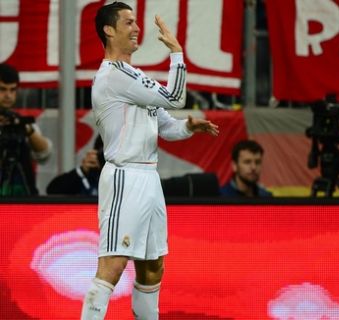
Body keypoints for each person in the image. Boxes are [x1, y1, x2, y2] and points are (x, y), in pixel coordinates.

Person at [81, 2, 219, 319]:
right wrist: (176, 52)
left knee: (152, 266)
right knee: (113, 265)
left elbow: (165, 125)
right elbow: (175, 97)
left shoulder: (133, 76)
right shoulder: (113, 76)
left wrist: (187, 126)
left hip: (149, 178)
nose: (137, 27)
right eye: (128, 22)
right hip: (124, 177)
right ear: (109, 30)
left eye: (136, 21)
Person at [0, 63, 52, 195]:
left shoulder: (19, 122)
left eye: (12, 90)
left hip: (22, 202)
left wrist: (26, 129)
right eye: (2, 89)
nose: (8, 95)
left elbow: (44, 155)